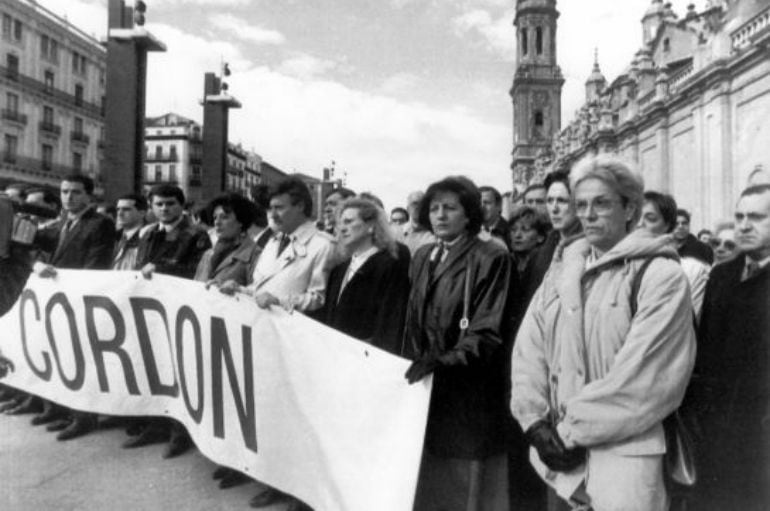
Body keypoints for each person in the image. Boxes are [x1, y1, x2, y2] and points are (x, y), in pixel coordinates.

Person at [511, 155, 696, 511]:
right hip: (560, 467)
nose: (588, 214)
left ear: (630, 209)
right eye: (581, 204)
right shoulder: (561, 272)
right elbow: (528, 351)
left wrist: (567, 432)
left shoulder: (661, 275)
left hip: (623, 460)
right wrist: (533, 421)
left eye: (602, 203)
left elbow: (647, 379)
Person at [402, 176, 511, 511]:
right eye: (433, 208)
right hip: (426, 387)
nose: (440, 215)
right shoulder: (422, 255)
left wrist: (445, 361)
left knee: (464, 487)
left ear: (469, 215)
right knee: (427, 481)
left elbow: (489, 330)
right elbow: (411, 319)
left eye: (450, 208)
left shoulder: (491, 257)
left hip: (468, 390)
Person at [225, 177, 333, 511]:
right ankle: (267, 475)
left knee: (295, 417)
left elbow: (319, 298)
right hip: (262, 334)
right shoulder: (273, 241)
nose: (271, 213)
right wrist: (239, 289)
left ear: (301, 205)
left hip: (295, 341)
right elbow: (261, 284)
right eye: (270, 208)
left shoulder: (322, 245)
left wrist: (281, 300)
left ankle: (296, 489)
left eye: (279, 207)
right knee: (264, 409)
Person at [689, 184, 770, 511]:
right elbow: (705, 347)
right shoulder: (722, 276)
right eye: (739, 216)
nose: (744, 225)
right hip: (717, 430)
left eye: (757, 217)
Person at [124, 184, 211, 458]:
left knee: (178, 373)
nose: (164, 209)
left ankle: (179, 432)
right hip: (150, 310)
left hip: (178, 311)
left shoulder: (197, 235)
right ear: (151, 206)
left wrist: (161, 269)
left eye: (171, 204)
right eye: (159, 204)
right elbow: (139, 267)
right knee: (153, 369)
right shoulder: (148, 233)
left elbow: (197, 273)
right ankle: (155, 424)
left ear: (181, 205)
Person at [30, 174, 116, 440]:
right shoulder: (64, 221)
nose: (68, 197)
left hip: (79, 299)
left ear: (89, 195)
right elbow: (33, 246)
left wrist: (66, 283)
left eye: (76, 192)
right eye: (65, 191)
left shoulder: (100, 223)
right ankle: (57, 408)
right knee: (57, 355)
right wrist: (37, 265)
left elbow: (95, 265)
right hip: (57, 298)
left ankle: (83, 417)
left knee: (80, 360)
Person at [195, 193, 262, 491]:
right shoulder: (209, 254)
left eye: (226, 216)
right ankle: (223, 453)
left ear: (243, 223)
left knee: (239, 402)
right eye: (216, 217)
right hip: (209, 331)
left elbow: (255, 289)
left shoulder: (255, 253)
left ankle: (241, 463)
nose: (218, 222)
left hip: (237, 336)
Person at [322, 197, 409, 355]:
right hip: (335, 354)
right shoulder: (340, 267)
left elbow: (390, 320)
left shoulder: (389, 264)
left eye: (349, 222)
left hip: (367, 358)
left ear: (371, 227)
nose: (342, 228)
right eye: (340, 223)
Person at [639, 191, 710, 321]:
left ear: (667, 226)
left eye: (650, 218)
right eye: (635, 218)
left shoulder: (692, 269)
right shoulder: (618, 266)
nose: (640, 224)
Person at [508, 205, 550, 278]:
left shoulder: (547, 264)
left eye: (525, 230)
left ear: (540, 237)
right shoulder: (505, 262)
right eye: (513, 230)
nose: (517, 235)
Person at [112, 194, 147, 271]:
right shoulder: (111, 236)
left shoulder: (148, 237)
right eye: (118, 209)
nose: (119, 214)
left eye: (126, 209)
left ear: (142, 213)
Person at [402, 190, 435, 254]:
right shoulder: (399, 232)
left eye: (422, 204)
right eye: (415, 204)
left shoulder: (435, 233)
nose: (419, 207)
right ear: (408, 209)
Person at [480, 186, 512, 251]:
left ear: (499, 206)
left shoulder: (511, 232)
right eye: (478, 203)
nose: (482, 207)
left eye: (487, 203)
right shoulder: (470, 232)